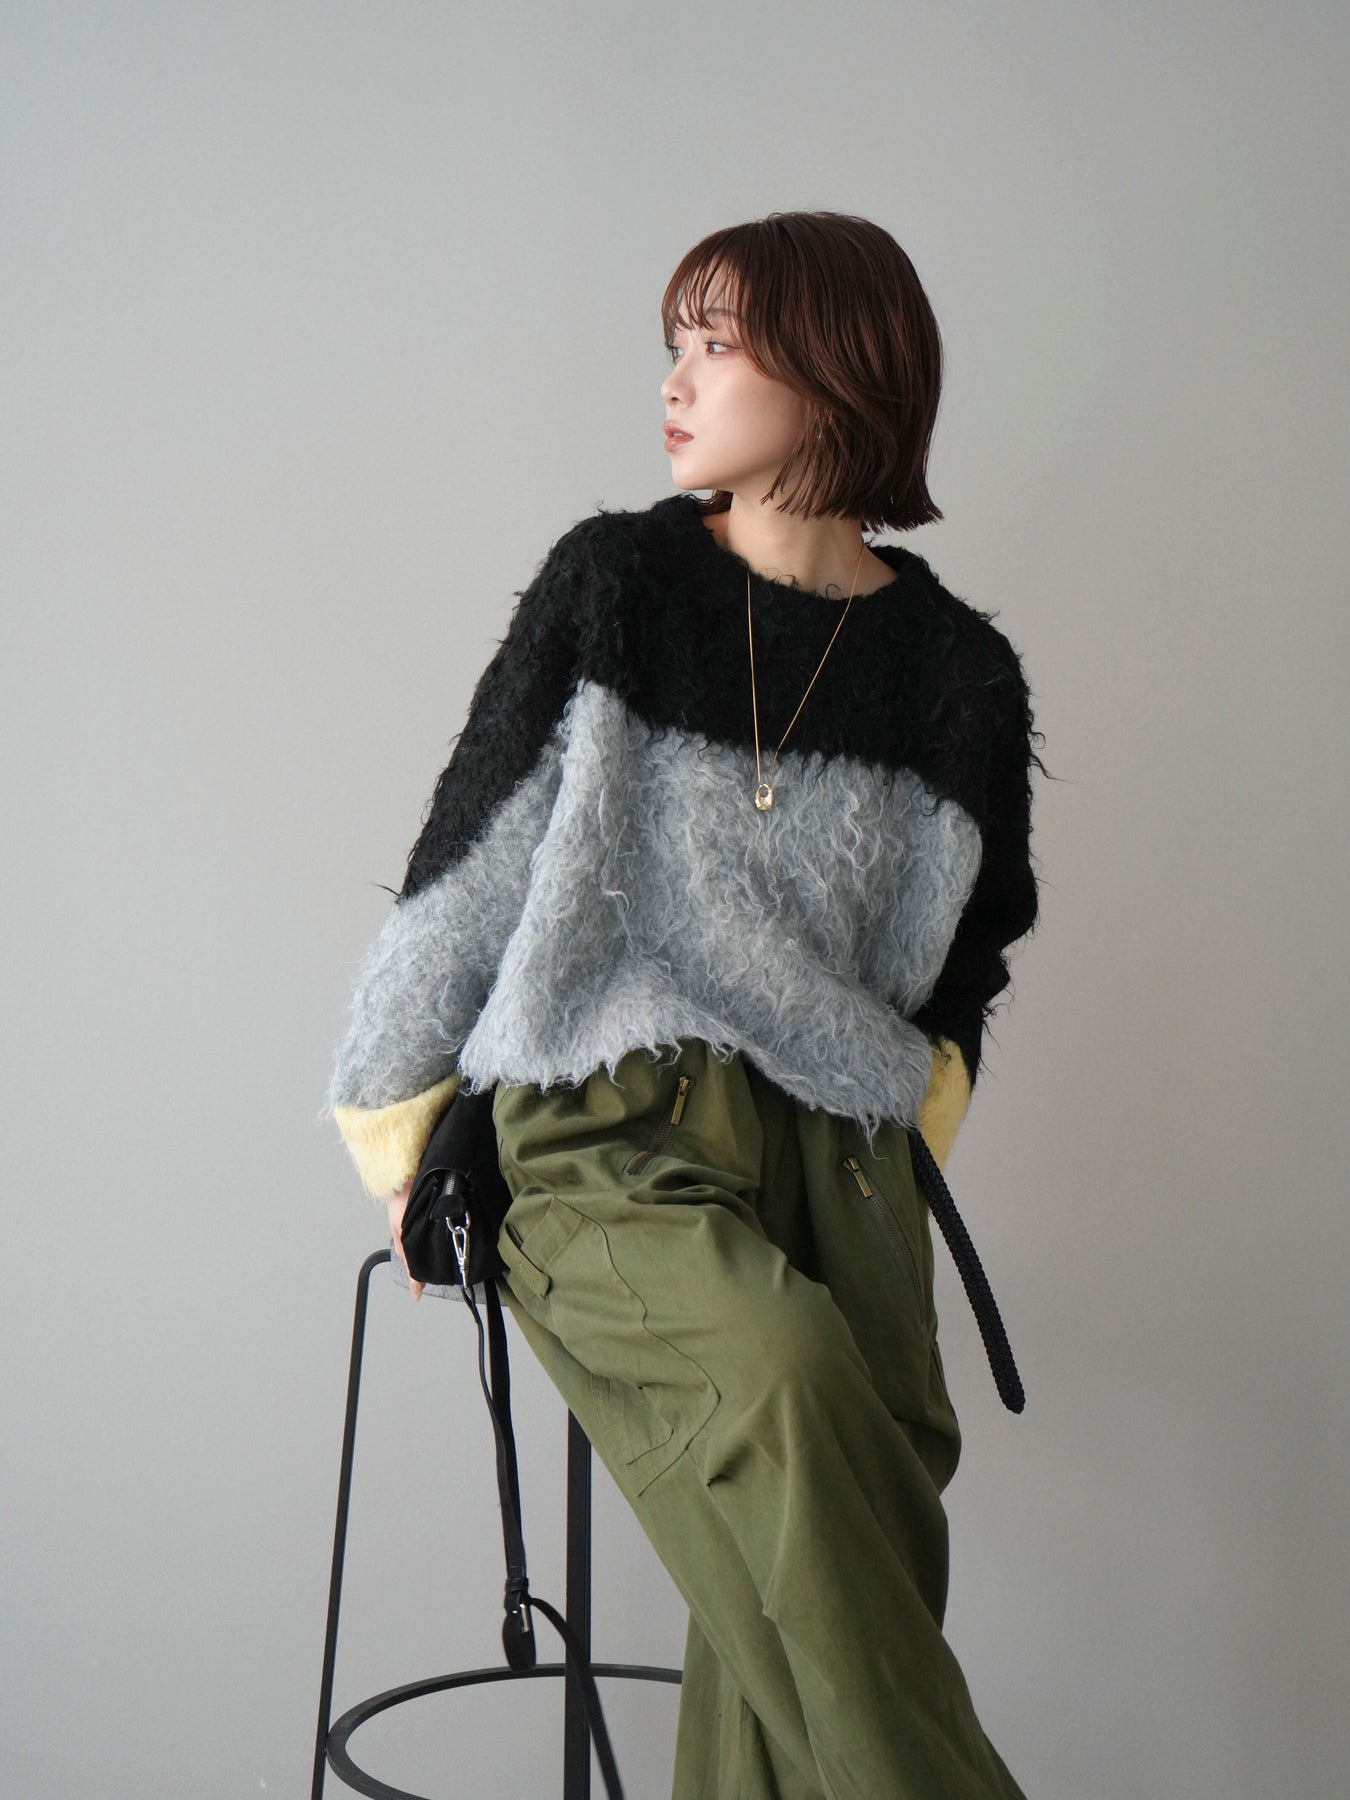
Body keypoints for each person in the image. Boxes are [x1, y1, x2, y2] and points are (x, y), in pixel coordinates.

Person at [322, 208, 1044, 1799]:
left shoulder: (956, 676)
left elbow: (966, 952)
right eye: (676, 343)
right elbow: (471, 863)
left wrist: (909, 1117)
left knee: (852, 1503)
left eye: (717, 344)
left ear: (837, 369)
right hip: (605, 1131)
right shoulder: (619, 586)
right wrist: (399, 1125)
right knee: (779, 1387)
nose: (675, 379)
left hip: (843, 1160)